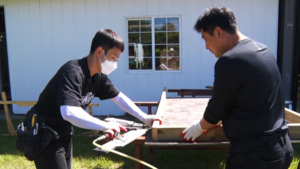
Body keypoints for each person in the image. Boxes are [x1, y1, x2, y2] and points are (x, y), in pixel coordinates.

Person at [26, 29, 161, 169]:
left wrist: (144, 117)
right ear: (99, 52)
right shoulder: (72, 72)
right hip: (43, 130)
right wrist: (104, 125)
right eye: (113, 58)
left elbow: (119, 98)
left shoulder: (98, 77)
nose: (115, 64)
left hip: (63, 129)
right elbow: (69, 112)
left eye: (117, 60)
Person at [181, 7, 294, 169]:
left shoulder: (229, 61)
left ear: (218, 32)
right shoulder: (263, 50)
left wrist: (198, 127)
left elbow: (216, 110)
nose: (206, 47)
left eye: (205, 38)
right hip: (282, 147)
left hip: (255, 156)